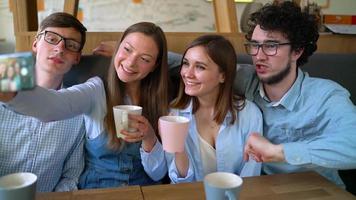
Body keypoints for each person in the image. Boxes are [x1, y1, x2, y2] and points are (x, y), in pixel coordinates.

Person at [3, 21, 169, 189]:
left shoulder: (163, 101)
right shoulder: (95, 90)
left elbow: (158, 174)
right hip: (97, 193)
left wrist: (149, 137)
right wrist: (8, 88)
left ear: (155, 65)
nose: (131, 62)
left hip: (143, 193)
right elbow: (53, 105)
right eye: (127, 49)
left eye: (144, 58)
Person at [235, 2, 356, 187]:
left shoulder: (327, 96)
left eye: (271, 46)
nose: (258, 56)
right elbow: (185, 64)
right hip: (265, 190)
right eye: (254, 45)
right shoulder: (244, 80)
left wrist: (279, 152)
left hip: (319, 192)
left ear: (297, 51)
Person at [140, 34, 263, 183]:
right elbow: (177, 182)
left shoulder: (250, 114)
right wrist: (178, 148)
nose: (188, 73)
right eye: (186, 63)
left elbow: (251, 175)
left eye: (200, 67)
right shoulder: (174, 114)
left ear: (223, 76)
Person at [0, 12, 86, 192]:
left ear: (77, 58)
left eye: (71, 45)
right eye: (52, 38)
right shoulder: (4, 92)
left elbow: (71, 176)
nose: (60, 49)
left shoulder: (78, 110)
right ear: (35, 43)